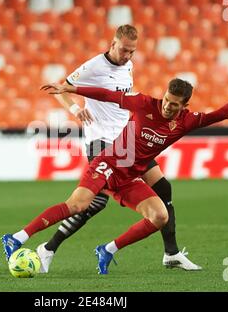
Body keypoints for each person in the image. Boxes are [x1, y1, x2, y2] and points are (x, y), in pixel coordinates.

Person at [2, 78, 228, 274]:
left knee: (160, 216)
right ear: (164, 94)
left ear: (185, 105)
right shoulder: (144, 103)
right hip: (108, 163)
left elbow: (222, 114)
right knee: (79, 204)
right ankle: (18, 237)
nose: (168, 107)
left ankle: (107, 250)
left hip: (131, 177)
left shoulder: (187, 121)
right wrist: (71, 89)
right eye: (167, 100)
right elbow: (107, 95)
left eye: (175, 105)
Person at [35, 24, 201, 273]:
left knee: (163, 187)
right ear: (112, 44)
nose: (127, 56)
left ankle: (171, 253)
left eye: (132, 52)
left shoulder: (128, 66)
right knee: (95, 202)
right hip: (101, 140)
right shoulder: (93, 67)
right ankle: (48, 248)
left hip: (127, 140)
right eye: (124, 50)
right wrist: (75, 109)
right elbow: (62, 88)